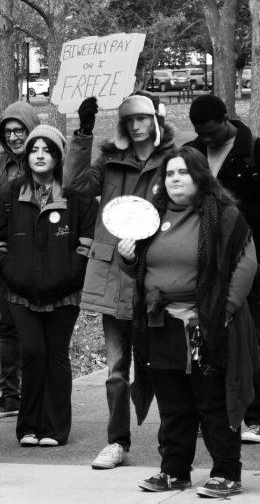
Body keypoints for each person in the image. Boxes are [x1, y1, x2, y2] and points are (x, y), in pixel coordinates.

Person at [120, 147, 258, 498]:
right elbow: (141, 270)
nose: (175, 179)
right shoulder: (151, 218)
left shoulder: (224, 216)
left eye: (182, 173)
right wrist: (129, 258)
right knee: (173, 403)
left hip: (207, 326)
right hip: (160, 325)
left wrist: (219, 314)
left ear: (200, 177)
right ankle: (174, 471)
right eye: (169, 174)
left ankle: (226, 473)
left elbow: (245, 265)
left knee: (212, 400)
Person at [66, 94, 177, 470]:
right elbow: (75, 183)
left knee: (163, 366)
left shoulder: (172, 162)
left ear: (156, 121)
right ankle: (117, 442)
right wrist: (83, 132)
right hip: (113, 275)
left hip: (155, 277)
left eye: (142, 119)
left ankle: (172, 443)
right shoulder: (111, 162)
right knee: (116, 369)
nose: (135, 126)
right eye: (129, 120)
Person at [187, 95, 260, 445]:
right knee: (205, 332)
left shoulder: (258, 152)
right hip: (201, 256)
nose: (207, 139)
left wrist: (230, 216)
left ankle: (259, 415)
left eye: (212, 131)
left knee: (246, 331)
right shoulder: (192, 152)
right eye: (200, 133)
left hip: (250, 254)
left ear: (226, 119)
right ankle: (215, 412)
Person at [0, 125, 96, 448]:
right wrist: (11, 272)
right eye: (34, 150)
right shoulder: (10, 192)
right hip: (20, 293)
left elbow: (87, 243)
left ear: (59, 156)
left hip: (64, 294)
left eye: (47, 150)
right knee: (32, 353)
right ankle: (29, 425)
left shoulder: (75, 195)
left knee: (55, 355)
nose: (39, 155)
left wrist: (69, 275)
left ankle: (55, 428)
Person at [0, 101, 42, 420]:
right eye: (9, 131)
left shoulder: (43, 162)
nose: (14, 137)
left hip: (32, 259)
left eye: (20, 130)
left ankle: (38, 392)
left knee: (33, 323)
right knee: (6, 325)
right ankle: (9, 394)